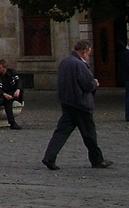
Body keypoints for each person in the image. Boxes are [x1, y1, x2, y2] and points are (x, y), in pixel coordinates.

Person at [42, 39, 110, 170]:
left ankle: (49, 157)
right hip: (81, 104)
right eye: (88, 53)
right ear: (84, 52)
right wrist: (95, 83)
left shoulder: (65, 62)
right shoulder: (79, 64)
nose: (88, 55)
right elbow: (87, 85)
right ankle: (97, 160)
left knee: (61, 132)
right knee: (89, 134)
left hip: (67, 102)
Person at [0, 58, 24, 129]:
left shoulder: (12, 72)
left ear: (5, 68)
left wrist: (18, 90)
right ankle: (12, 123)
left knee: (12, 97)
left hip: (10, 92)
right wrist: (4, 94)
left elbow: (18, 81)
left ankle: (12, 122)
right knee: (7, 101)